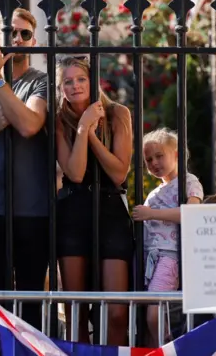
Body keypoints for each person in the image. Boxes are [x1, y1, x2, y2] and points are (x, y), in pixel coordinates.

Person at [0, 8, 49, 330]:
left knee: (30, 301)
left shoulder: (41, 82)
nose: (17, 39)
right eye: (9, 33)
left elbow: (30, 125)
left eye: (24, 34)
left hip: (34, 210)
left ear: (34, 40)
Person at [55, 56, 133, 345]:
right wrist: (82, 127)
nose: (75, 86)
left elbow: (118, 172)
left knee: (116, 313)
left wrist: (91, 132)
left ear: (93, 81)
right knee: (77, 311)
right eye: (68, 81)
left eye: (81, 79)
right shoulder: (60, 120)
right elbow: (74, 173)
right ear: (60, 86)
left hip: (111, 210)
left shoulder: (117, 113)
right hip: (73, 211)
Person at [132, 127, 203, 347]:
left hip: (170, 256)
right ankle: (158, 348)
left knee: (154, 312)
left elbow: (191, 214)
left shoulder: (189, 182)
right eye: (148, 159)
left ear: (176, 155)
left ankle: (167, 347)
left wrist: (150, 213)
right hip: (150, 258)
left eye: (159, 156)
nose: (154, 163)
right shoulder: (154, 193)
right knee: (148, 314)